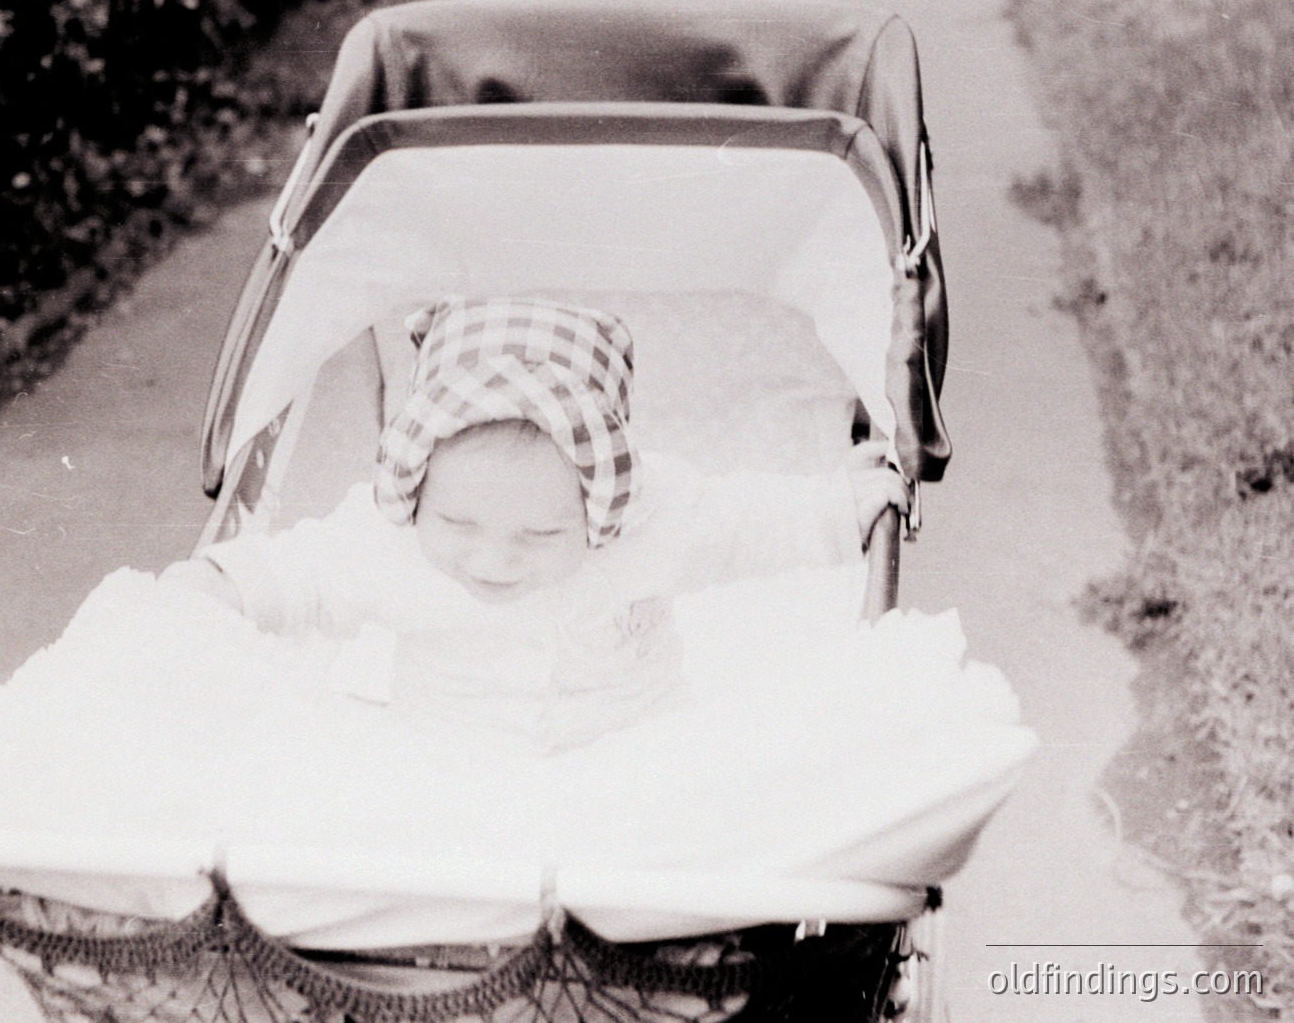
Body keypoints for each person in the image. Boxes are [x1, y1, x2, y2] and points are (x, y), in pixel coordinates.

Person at [162, 297, 907, 751]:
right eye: (458, 523)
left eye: (541, 536)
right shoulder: (389, 543)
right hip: (448, 756)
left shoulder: (650, 523)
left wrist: (840, 509)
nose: (492, 560)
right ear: (417, 492)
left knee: (714, 812)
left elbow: (744, 525)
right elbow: (301, 573)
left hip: (632, 745)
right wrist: (220, 586)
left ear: (599, 505)